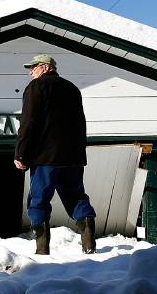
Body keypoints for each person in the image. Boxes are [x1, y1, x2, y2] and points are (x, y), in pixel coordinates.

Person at [14, 54, 96, 255]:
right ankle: (89, 244)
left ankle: (42, 250)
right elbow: (80, 123)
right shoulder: (72, 89)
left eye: (32, 68)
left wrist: (21, 153)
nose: (30, 72)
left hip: (45, 157)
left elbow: (29, 122)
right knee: (76, 196)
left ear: (44, 67)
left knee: (39, 199)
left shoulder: (36, 87)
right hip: (73, 156)